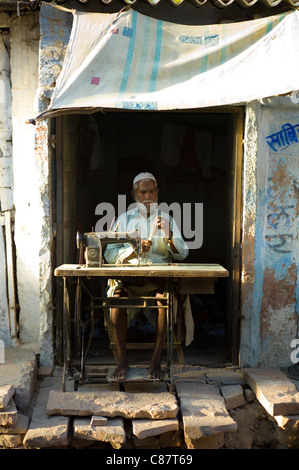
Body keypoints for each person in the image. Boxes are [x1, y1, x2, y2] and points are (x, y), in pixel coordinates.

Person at [104, 172, 189, 381]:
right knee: (117, 301)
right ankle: (123, 359)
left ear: (157, 192)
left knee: (164, 302)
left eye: (152, 191)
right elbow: (108, 254)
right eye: (143, 192)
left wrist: (169, 236)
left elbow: (184, 253)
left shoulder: (167, 219)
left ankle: (156, 360)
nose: (148, 196)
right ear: (134, 194)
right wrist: (133, 250)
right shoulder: (123, 220)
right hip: (130, 281)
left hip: (157, 281)